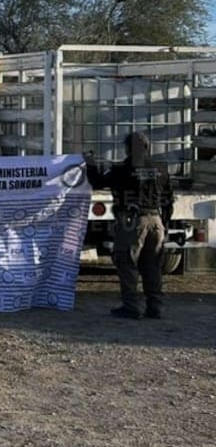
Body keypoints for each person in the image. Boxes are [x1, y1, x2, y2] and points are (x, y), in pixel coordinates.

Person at [87, 131, 174, 320]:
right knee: (152, 265)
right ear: (147, 147)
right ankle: (155, 307)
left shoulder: (122, 169)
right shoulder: (162, 168)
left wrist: (90, 163)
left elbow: (98, 182)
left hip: (132, 222)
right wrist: (164, 222)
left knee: (127, 263)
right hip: (156, 221)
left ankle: (131, 307)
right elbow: (169, 199)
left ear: (127, 149)